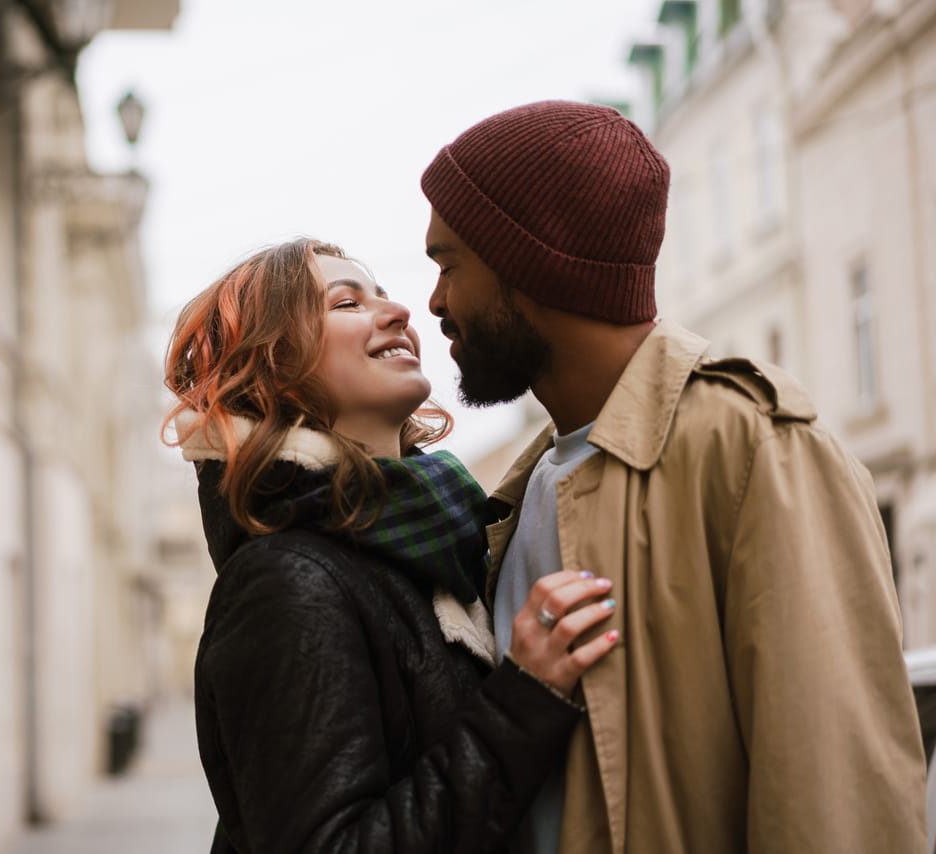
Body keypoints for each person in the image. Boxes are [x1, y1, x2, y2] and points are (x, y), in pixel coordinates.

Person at [420, 99, 928, 853]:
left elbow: (839, 802)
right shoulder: (517, 494)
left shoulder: (754, 449)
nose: (434, 304)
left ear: (529, 260)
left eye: (449, 265)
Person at [163, 238, 620, 853]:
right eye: (346, 303)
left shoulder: (433, 541)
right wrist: (523, 701)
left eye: (381, 293)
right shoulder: (286, 581)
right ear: (271, 369)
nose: (399, 311)